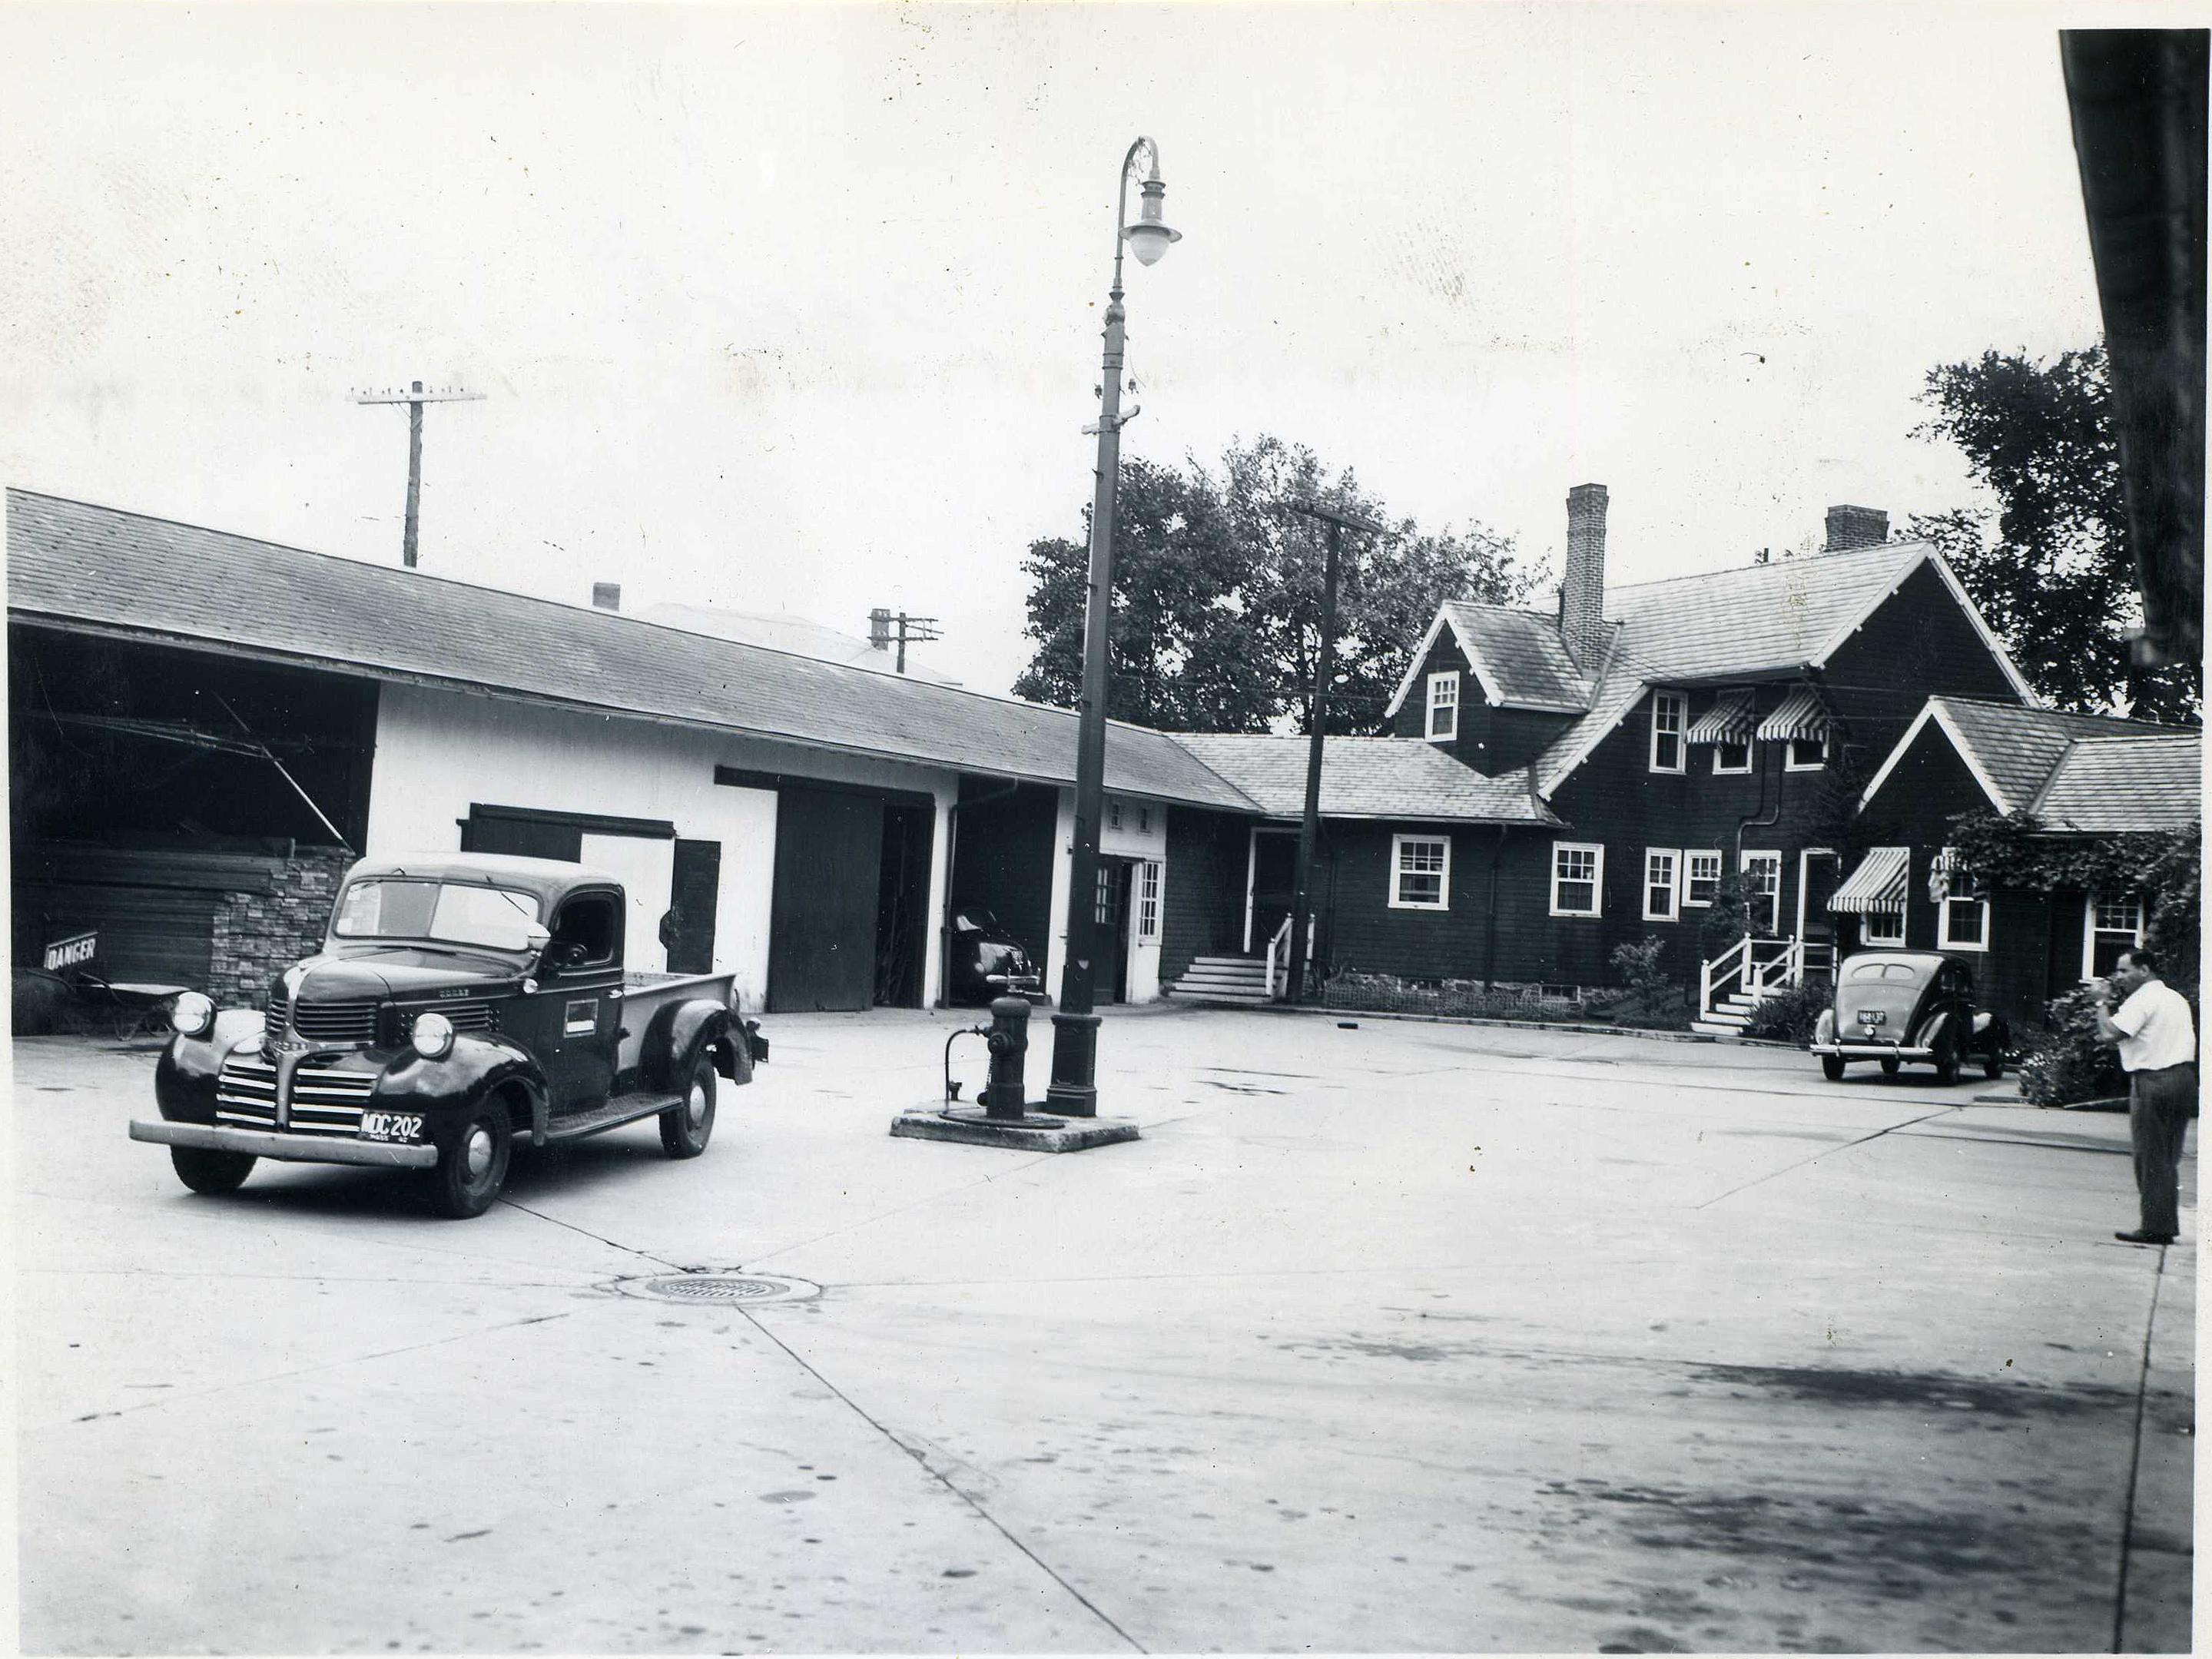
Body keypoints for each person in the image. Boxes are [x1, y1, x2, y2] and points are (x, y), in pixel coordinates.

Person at [2094, 947, 2197, 1246]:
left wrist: (2101, 1003)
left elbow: (2110, 1034)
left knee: (2150, 1156)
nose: (2119, 976)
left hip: (2153, 1080)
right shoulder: (2174, 998)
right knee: (2167, 1156)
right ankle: (2163, 1223)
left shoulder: (2143, 999)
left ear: (2144, 970)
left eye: (2125, 970)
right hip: (2183, 1078)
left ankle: (2156, 1227)